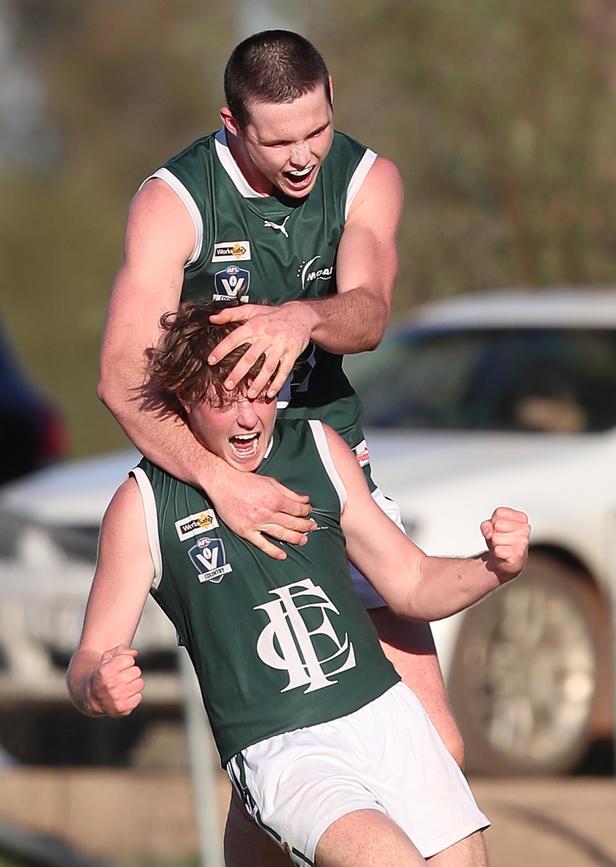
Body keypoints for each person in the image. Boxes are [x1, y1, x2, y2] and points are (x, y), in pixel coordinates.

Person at [99, 28, 461, 857]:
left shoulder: (367, 179)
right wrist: (220, 484)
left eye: (316, 130)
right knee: (278, 743)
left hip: (330, 464)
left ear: (331, 96)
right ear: (232, 122)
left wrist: (303, 316)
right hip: (219, 475)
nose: (303, 156)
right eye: (279, 139)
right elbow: (121, 376)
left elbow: (367, 310)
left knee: (441, 742)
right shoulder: (175, 200)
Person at [70, 302, 530, 866]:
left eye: (261, 393)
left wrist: (492, 566)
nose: (248, 419)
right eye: (223, 401)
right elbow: (90, 657)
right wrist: (98, 685)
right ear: (185, 398)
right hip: (283, 745)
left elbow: (411, 583)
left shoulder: (317, 448)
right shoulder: (144, 504)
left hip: (384, 713)